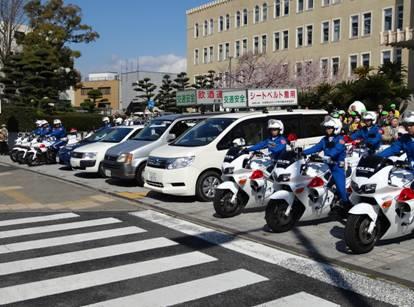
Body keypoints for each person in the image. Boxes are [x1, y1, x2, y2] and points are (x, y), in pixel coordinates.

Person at [303, 117, 350, 216]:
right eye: (327, 128)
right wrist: (302, 152)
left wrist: (327, 156)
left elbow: (336, 150)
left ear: (336, 128)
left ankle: (347, 207)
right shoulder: (324, 139)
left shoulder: (340, 140)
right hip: (326, 166)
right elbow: (316, 147)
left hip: (337, 167)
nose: (328, 130)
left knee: (341, 190)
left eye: (330, 128)